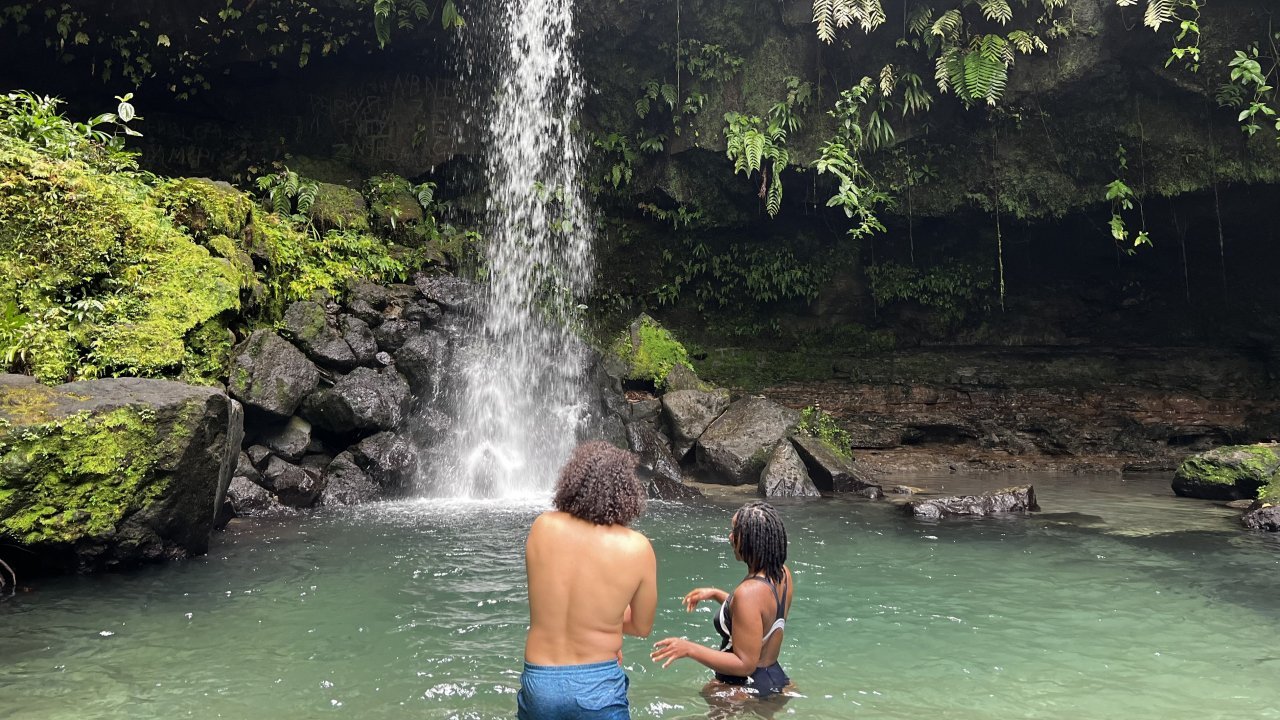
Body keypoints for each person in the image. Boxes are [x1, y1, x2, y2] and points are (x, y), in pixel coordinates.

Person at [517, 441, 658, 720]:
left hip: (540, 683)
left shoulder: (542, 527)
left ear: (573, 482)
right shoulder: (637, 548)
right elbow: (641, 626)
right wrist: (606, 622)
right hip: (598, 683)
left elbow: (550, 599)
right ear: (626, 492)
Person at [650, 501, 795, 701]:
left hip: (742, 687)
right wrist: (716, 594)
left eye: (735, 532)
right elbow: (755, 619)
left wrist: (689, 648)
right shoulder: (782, 575)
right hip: (774, 678)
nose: (730, 537)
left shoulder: (748, 593)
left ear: (751, 539)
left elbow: (745, 664)